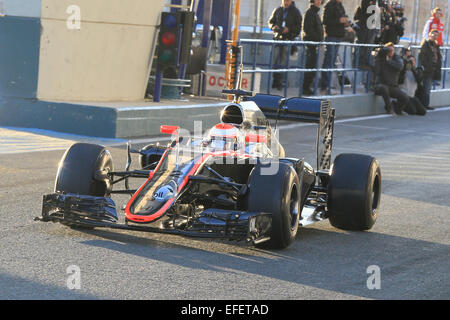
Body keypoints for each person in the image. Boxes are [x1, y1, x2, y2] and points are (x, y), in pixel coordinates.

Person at [320, 0, 354, 93]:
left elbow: (343, 18)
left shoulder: (340, 6)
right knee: (328, 61)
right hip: (331, 36)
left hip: (338, 37)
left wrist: (346, 23)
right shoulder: (329, 5)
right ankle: (325, 86)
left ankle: (328, 86)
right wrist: (339, 20)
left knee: (331, 63)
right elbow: (324, 20)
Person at [268, 0, 302, 91]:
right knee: (274, 60)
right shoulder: (278, 10)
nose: (286, 2)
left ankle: (280, 82)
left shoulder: (295, 12)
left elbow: (299, 27)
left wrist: (289, 29)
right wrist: (273, 27)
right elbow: (270, 22)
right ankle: (275, 81)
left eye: (288, 0)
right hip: (277, 39)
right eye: (284, 0)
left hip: (288, 40)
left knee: (283, 62)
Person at [373, 42, 414, 115]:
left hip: (392, 86)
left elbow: (400, 66)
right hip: (380, 85)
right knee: (384, 88)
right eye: (388, 50)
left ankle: (398, 110)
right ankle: (389, 109)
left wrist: (389, 61)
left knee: (404, 97)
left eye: (392, 50)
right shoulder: (380, 59)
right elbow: (376, 71)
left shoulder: (396, 58)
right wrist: (379, 58)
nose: (390, 52)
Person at [302, 0, 324, 95]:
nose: (319, 1)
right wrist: (318, 39)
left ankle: (307, 88)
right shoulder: (310, 13)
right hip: (311, 45)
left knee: (312, 68)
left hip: (314, 45)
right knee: (310, 68)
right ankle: (305, 88)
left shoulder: (315, 13)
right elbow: (308, 29)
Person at [398, 47, 427, 116]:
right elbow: (400, 80)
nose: (412, 63)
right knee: (412, 111)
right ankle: (395, 104)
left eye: (413, 61)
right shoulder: (403, 70)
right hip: (404, 95)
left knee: (423, 112)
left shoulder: (417, 71)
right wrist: (406, 67)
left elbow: (419, 80)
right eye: (410, 61)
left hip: (412, 96)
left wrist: (413, 69)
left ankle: (410, 106)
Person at [418, 29, 442, 110]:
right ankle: (424, 105)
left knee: (428, 88)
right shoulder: (426, 44)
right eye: (433, 35)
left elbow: (438, 57)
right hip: (427, 70)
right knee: (426, 89)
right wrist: (427, 66)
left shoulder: (436, 45)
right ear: (429, 35)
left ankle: (424, 104)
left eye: (436, 35)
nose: (434, 37)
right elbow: (422, 57)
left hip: (433, 70)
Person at [354, 0, 378, 69]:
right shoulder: (364, 4)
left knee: (368, 46)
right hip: (364, 28)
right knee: (362, 45)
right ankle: (360, 62)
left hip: (370, 29)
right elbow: (366, 8)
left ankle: (365, 62)